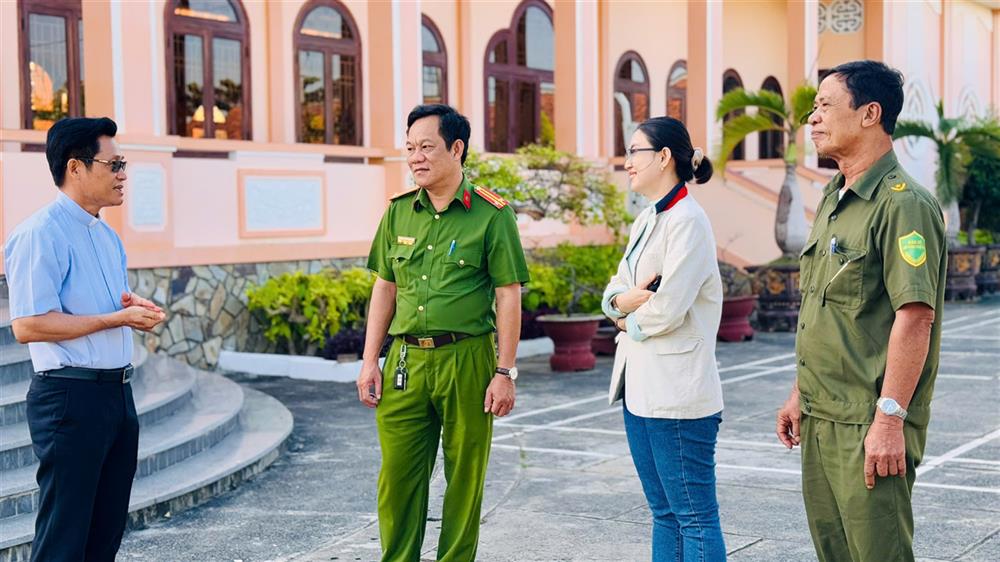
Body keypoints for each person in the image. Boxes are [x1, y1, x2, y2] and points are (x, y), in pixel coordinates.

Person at [775, 60, 947, 562]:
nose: (814, 118)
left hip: (868, 423)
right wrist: (797, 393)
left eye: (826, 105)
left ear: (871, 113)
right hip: (820, 415)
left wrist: (890, 420)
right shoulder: (834, 197)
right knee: (835, 553)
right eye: (814, 108)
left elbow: (915, 317)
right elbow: (825, 309)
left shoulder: (903, 204)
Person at [355, 104, 530, 562]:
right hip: (406, 363)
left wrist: (504, 371)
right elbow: (384, 286)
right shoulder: (398, 213)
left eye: (426, 146)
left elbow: (508, 295)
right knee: (397, 479)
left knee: (464, 478)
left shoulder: (493, 215)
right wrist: (370, 359)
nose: (415, 157)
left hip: (467, 360)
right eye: (410, 148)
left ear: (456, 149)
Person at [4, 117, 166, 561]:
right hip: (69, 399)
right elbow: (29, 325)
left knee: (104, 534)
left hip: (116, 396)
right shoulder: (40, 234)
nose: (123, 174)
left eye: (123, 163)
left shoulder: (107, 237)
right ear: (75, 168)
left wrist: (134, 309)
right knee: (64, 538)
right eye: (114, 164)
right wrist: (115, 318)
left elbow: (105, 304)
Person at [602, 116, 726, 561]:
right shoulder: (647, 219)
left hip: (678, 396)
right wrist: (623, 303)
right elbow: (613, 291)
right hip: (640, 389)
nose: (627, 162)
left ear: (663, 157)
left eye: (634, 152)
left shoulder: (688, 221)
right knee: (664, 513)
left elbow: (669, 307)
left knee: (693, 516)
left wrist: (624, 318)